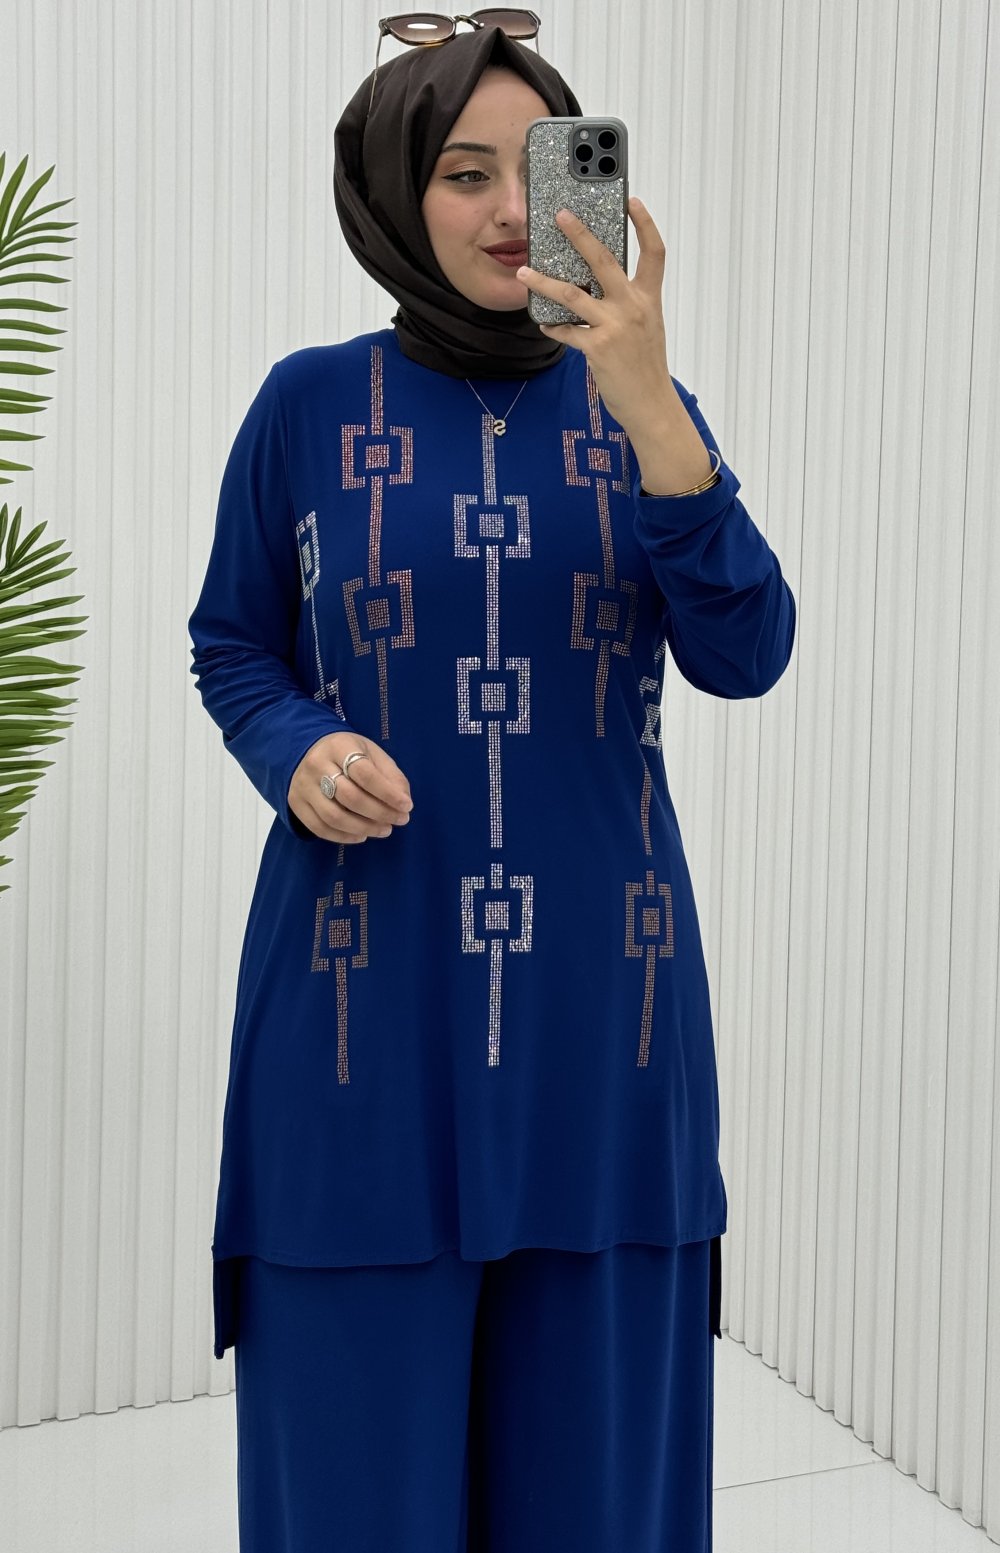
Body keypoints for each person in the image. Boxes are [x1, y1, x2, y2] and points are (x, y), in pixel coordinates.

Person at [187, 19, 796, 1553]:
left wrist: (653, 405)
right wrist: (293, 747)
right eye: (465, 173)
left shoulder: (641, 410)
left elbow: (747, 652)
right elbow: (232, 642)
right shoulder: (307, 407)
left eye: (541, 167)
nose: (513, 210)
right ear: (398, 190)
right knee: (353, 1505)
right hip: (360, 1027)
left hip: (607, 1026)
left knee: (598, 1507)